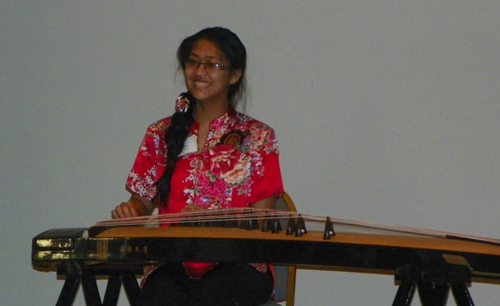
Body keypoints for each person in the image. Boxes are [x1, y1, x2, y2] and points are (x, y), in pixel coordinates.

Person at [111, 27, 285, 306]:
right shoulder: (160, 132)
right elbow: (142, 202)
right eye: (193, 62)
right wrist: (132, 210)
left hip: (238, 261)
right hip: (173, 260)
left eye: (213, 64)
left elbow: (264, 217)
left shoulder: (257, 136)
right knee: (161, 294)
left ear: (235, 75)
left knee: (214, 295)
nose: (200, 71)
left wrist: (216, 219)